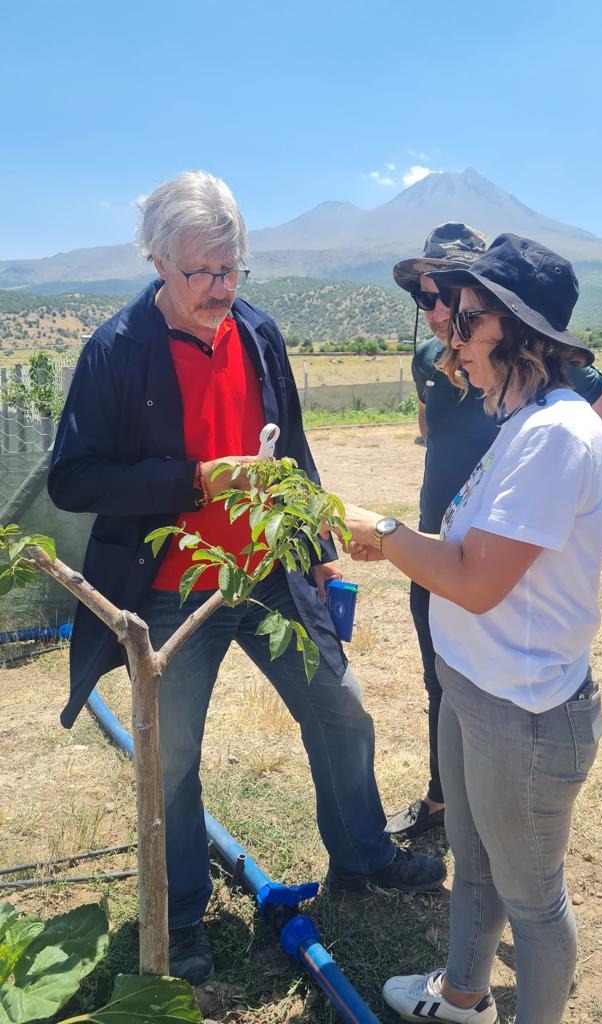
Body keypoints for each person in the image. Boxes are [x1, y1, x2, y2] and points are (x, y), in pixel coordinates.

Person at [47, 170, 445, 986]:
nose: (222, 290)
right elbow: (74, 480)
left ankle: (362, 857)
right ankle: (183, 916)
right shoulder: (116, 351)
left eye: (234, 271)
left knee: (341, 712)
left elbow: (291, 446)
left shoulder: (258, 332)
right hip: (172, 590)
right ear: (158, 260)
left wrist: (315, 542)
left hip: (267, 573)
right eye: (204, 273)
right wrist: (197, 481)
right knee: (174, 758)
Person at [329, 233, 602, 1024]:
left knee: (533, 900)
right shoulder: (522, 423)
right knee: (476, 864)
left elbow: (476, 581)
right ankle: (462, 995)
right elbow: (463, 551)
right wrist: (400, 542)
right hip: (476, 687)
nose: (451, 341)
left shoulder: (557, 435)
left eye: (467, 321)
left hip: (523, 714)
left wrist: (377, 527)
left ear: (523, 331)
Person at [386, 224, 602, 840]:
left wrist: (543, 497)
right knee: (440, 676)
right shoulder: (432, 362)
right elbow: (430, 432)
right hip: (436, 547)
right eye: (425, 297)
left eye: (447, 291)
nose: (438, 310)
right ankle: (447, 802)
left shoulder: (532, 373)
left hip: (497, 567)